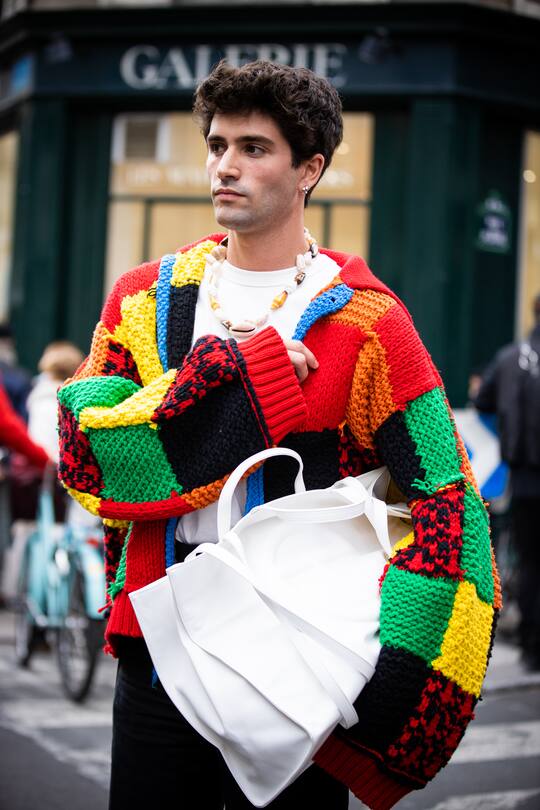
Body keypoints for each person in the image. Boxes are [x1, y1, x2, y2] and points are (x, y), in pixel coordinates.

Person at [58, 61, 498, 810]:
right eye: (218, 143)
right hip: (158, 658)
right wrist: (238, 381)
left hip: (298, 664)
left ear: (310, 169)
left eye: (254, 148)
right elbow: (89, 456)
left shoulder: (369, 324)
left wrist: (390, 682)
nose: (225, 165)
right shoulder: (143, 299)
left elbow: (448, 498)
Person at [475, 293, 540, 671]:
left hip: (526, 480)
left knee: (531, 560)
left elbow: (483, 401)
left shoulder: (510, 358)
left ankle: (532, 644)